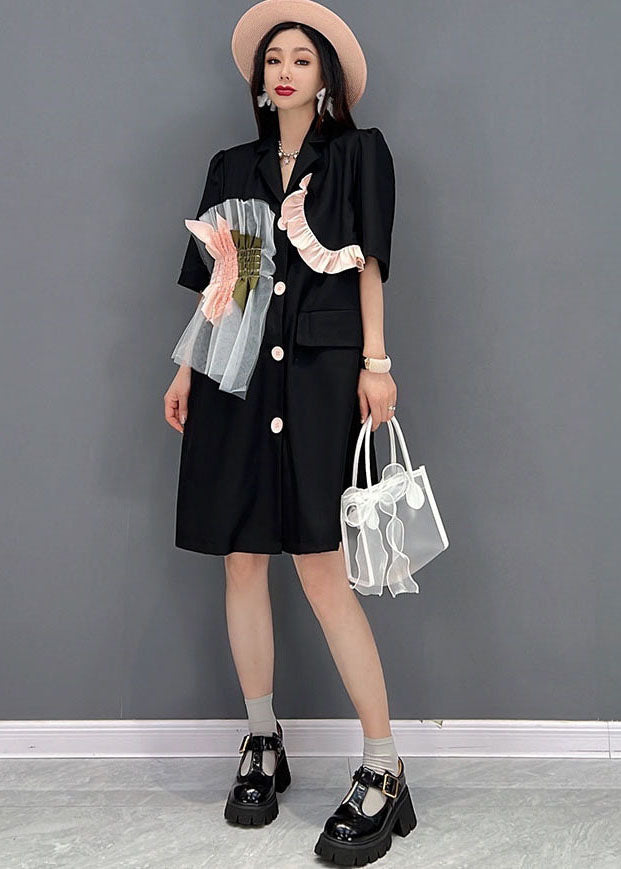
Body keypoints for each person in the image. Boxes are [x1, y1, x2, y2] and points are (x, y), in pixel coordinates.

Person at [163, 0, 417, 863]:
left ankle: (382, 765)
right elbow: (222, 283)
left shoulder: (357, 155)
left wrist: (375, 362)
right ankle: (262, 740)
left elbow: (369, 261)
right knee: (241, 557)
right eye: (274, 58)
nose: (284, 70)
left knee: (319, 566)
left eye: (301, 59)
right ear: (258, 78)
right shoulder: (229, 165)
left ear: (325, 77)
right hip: (232, 377)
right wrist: (186, 367)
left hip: (319, 374)